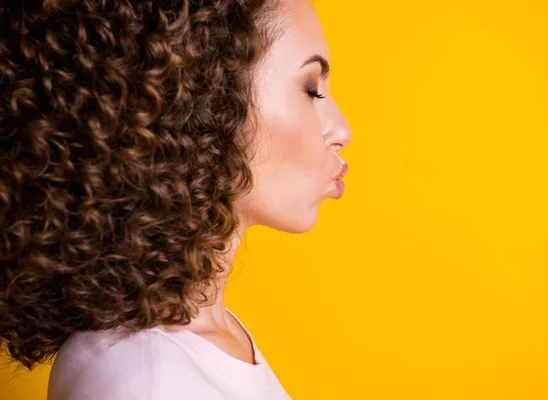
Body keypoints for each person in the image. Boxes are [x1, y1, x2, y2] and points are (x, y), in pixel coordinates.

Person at [0, 0, 352, 398]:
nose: (342, 130)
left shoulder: (205, 342)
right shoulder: (146, 380)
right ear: (202, 102)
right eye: (311, 89)